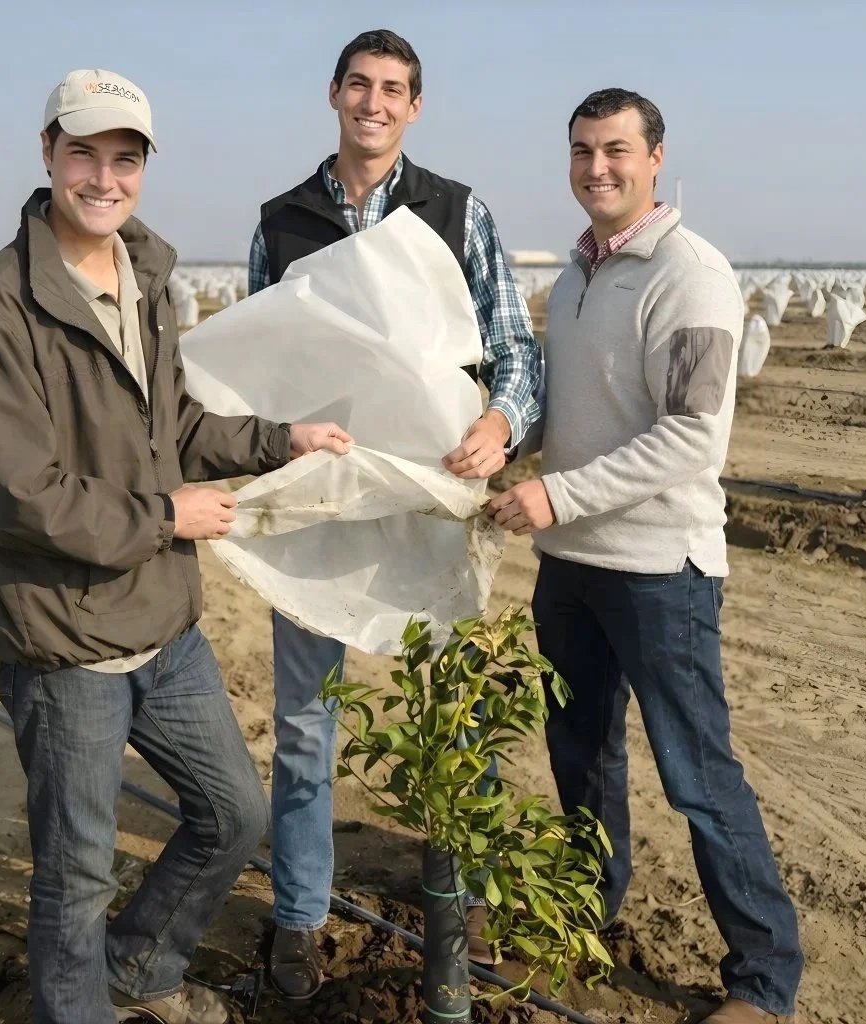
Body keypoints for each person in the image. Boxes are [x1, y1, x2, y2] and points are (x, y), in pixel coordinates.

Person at [0, 68, 351, 1024]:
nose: (105, 177)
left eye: (125, 158)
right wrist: (168, 518)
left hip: (164, 628)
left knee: (234, 814)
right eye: (85, 152)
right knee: (76, 878)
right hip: (67, 644)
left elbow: (177, 426)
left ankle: (137, 970)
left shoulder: (147, 279)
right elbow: (18, 497)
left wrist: (283, 440)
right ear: (47, 154)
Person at [487, 88, 802, 1023]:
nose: (597, 168)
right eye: (582, 150)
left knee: (697, 776)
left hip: (661, 572)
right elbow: (574, 409)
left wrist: (556, 492)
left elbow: (692, 438)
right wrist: (506, 437)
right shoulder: (581, 277)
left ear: (656, 157)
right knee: (580, 759)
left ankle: (764, 983)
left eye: (617, 150)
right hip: (571, 566)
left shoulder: (691, 275)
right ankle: (584, 922)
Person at [247, 28, 544, 998]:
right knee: (303, 728)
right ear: (335, 94)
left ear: (414, 107)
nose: (375, 103)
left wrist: (501, 422)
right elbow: (263, 368)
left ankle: (451, 917)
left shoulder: (456, 212)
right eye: (360, 86)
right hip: (322, 504)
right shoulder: (282, 221)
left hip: (430, 499)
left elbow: (511, 348)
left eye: (394, 90)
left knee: (451, 722)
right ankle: (296, 927)